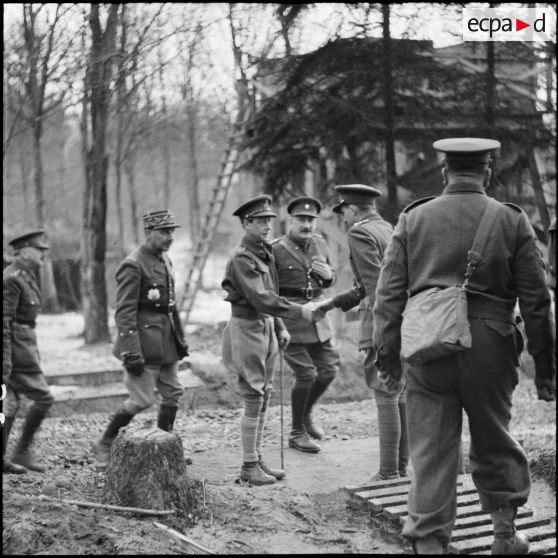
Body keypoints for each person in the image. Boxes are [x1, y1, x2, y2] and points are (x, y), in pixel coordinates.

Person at [372, 138, 556, 555]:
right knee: (494, 438)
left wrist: (388, 357)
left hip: (427, 347)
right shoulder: (511, 220)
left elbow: (388, 297)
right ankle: (505, 538)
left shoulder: (412, 218)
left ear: (444, 173)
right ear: (487, 173)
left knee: (431, 453)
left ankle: (430, 546)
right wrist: (545, 368)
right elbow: (536, 302)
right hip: (490, 347)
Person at [221, 194, 319, 486]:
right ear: (246, 223)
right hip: (246, 328)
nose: (267, 226)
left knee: (263, 394)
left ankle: (257, 456)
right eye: (260, 221)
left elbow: (271, 293)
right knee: (253, 395)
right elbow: (260, 297)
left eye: (268, 221)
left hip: (265, 326)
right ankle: (248, 466)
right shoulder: (241, 257)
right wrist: (300, 312)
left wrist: (280, 327)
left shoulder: (264, 251)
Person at [314, 184, 409, 481]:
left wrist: (382, 332)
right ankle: (401, 468)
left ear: (354, 210)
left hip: (381, 320)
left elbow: (376, 285)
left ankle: (387, 473)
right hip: (404, 317)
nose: (344, 221)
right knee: (399, 392)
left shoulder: (358, 233)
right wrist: (334, 303)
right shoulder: (386, 227)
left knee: (385, 393)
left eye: (344, 214)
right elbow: (386, 278)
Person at [94, 210, 189, 471]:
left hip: (167, 341)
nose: (169, 237)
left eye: (171, 232)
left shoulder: (165, 260)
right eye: (163, 232)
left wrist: (180, 337)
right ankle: (105, 442)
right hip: (143, 344)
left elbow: (170, 305)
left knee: (172, 394)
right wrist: (131, 352)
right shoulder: (133, 264)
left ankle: (163, 445)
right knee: (141, 400)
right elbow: (124, 312)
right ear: (148, 232)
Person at [271, 196, 340, 454]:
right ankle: (296, 432)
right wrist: (278, 325)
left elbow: (329, 279)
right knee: (306, 374)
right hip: (292, 320)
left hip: (318, 318)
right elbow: (270, 291)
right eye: (301, 219)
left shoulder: (320, 244)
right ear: (291, 220)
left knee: (329, 370)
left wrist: (329, 277)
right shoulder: (276, 249)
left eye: (311, 220)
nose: (306, 224)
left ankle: (306, 414)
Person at [3, 229, 54, 474]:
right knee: (44, 397)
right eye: (39, 248)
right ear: (22, 252)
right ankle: (21, 451)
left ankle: (5, 457)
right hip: (15, 350)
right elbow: (4, 321)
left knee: (9, 404)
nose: (44, 252)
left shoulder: (27, 276)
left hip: (24, 346)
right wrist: (5, 358)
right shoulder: (12, 278)